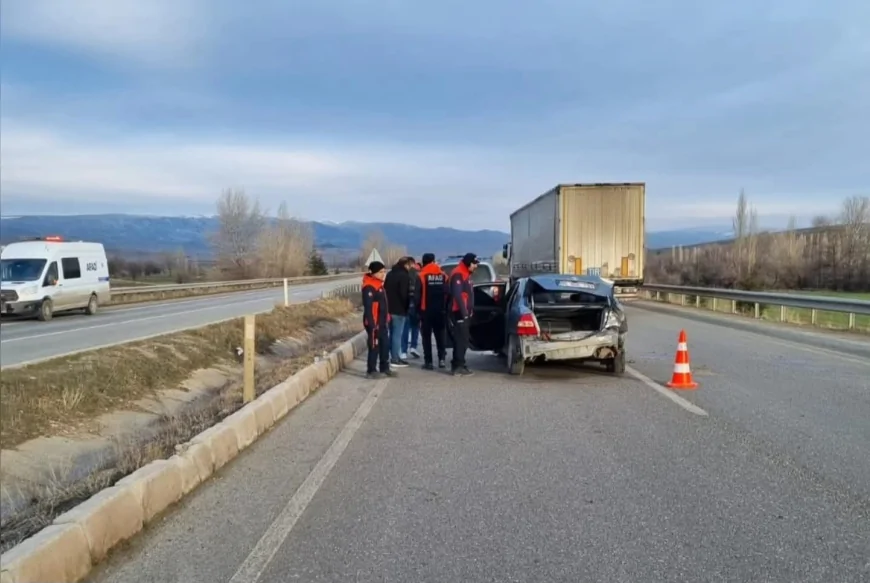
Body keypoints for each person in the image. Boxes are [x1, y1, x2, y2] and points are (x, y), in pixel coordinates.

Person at [361, 261, 395, 379]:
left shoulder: (379, 285)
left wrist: (387, 315)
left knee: (384, 345)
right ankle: (371, 370)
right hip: (373, 322)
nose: (383, 274)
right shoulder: (369, 287)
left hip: (382, 321)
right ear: (373, 272)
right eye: (380, 272)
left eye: (384, 271)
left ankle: (384, 368)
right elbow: (368, 307)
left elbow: (383, 303)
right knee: (374, 346)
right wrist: (371, 324)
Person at [447, 252, 479, 376]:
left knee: (463, 339)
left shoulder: (465, 274)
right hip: (459, 312)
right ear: (468, 263)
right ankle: (458, 366)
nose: (476, 266)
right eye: (474, 264)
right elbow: (457, 295)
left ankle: (458, 363)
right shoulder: (458, 274)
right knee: (461, 340)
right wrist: (464, 312)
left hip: (464, 313)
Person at [415, 253, 448, 370]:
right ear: (433, 261)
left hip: (426, 312)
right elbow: (447, 293)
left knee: (426, 337)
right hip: (441, 311)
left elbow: (417, 296)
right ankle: (442, 359)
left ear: (424, 262)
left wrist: (417, 311)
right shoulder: (443, 276)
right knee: (441, 336)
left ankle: (428, 362)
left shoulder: (421, 276)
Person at [383, 256, 411, 367]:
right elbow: (404, 294)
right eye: (409, 265)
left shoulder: (390, 274)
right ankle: (395, 359)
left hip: (388, 309)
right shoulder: (404, 276)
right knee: (397, 335)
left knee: (391, 334)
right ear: (405, 265)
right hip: (399, 310)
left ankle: (392, 356)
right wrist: (407, 307)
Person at [402, 257, 422, 359]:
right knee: (415, 326)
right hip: (416, 303)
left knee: (406, 327)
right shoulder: (419, 274)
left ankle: (403, 351)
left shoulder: (404, 274)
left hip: (406, 303)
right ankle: (413, 346)